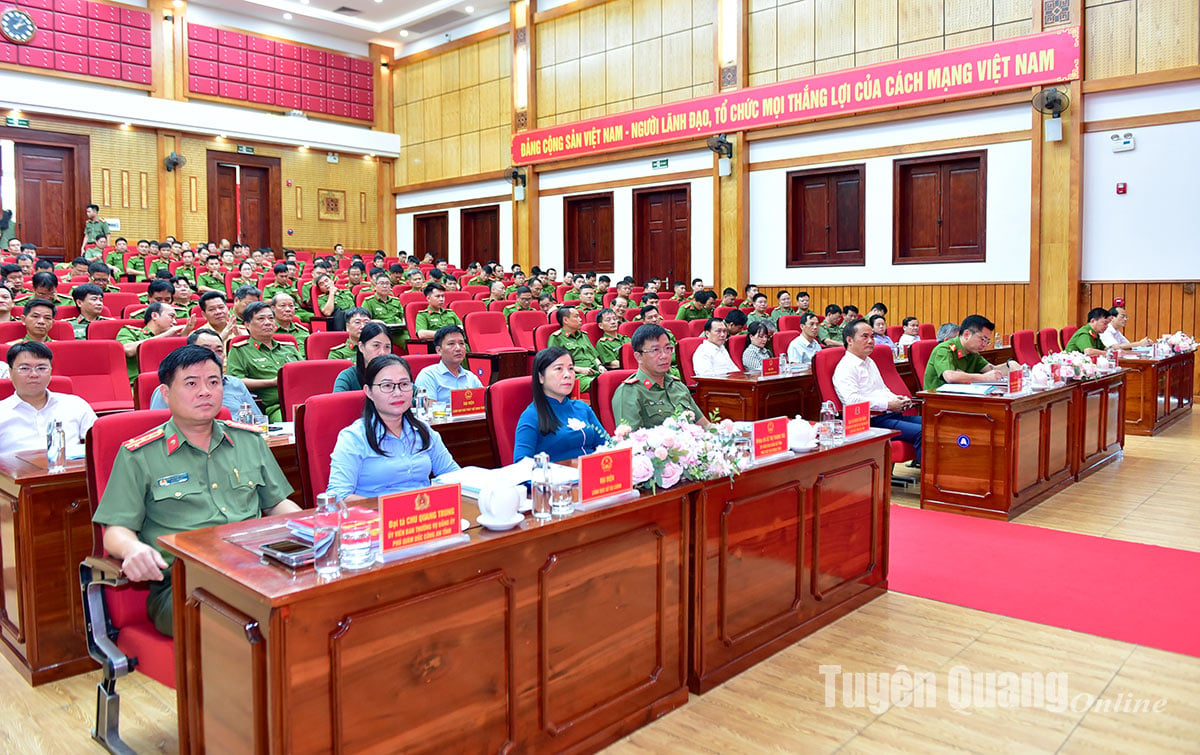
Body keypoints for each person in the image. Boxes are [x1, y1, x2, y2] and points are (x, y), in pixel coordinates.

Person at [92, 345, 299, 636]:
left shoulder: (249, 441)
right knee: (264, 619)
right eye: (192, 383)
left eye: (214, 382)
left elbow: (277, 505)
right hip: (186, 586)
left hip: (260, 569)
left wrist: (312, 528)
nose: (206, 391)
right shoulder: (139, 454)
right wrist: (133, 549)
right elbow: (115, 531)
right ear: (166, 394)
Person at [328, 354, 460, 500]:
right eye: (387, 386)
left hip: (424, 514)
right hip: (377, 518)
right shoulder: (353, 438)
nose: (398, 393)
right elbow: (338, 496)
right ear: (368, 391)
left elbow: (453, 475)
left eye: (404, 384)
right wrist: (390, 509)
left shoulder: (423, 431)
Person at [833, 319, 921, 464]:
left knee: (931, 424)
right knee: (921, 432)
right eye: (865, 336)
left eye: (872, 337)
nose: (871, 341)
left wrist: (896, 399)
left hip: (889, 415)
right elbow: (852, 401)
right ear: (849, 340)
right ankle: (929, 483)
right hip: (870, 421)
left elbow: (881, 389)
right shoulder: (845, 368)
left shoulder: (869, 361)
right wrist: (888, 404)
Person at [512, 347, 609, 462]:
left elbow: (607, 445)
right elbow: (521, 464)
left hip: (593, 474)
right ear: (541, 377)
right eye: (559, 369)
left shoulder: (582, 407)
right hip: (559, 477)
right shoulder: (531, 416)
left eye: (571, 368)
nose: (567, 375)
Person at [0, 342, 97, 453]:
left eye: (41, 368)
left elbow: (98, 444)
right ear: (10, 373)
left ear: (51, 372)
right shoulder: (2, 412)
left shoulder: (75, 405)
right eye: (24, 368)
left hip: (73, 469)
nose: (34, 374)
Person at [612, 324, 708, 430]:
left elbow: (705, 425)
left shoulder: (678, 386)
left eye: (667, 348)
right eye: (655, 350)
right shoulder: (629, 392)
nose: (664, 356)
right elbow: (630, 441)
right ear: (639, 357)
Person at [149, 329, 258, 414]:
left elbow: (257, 421)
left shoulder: (236, 384)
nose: (213, 355)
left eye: (219, 351)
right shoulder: (170, 389)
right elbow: (160, 428)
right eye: (205, 350)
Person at [224, 302, 303, 421]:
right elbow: (236, 382)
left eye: (271, 318)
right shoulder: (240, 350)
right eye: (261, 319)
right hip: (278, 407)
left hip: (305, 399)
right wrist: (272, 382)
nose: (268, 322)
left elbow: (305, 371)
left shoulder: (289, 347)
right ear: (247, 325)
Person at [923, 314, 1014, 392]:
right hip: (938, 401)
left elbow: (991, 370)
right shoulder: (944, 349)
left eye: (987, 341)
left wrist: (1010, 365)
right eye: (982, 339)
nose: (984, 344)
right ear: (967, 334)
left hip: (961, 398)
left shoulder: (972, 352)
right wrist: (984, 378)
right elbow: (950, 376)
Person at [115, 302, 188, 381]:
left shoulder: (173, 337)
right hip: (137, 386)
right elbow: (128, 350)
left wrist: (182, 339)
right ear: (155, 316)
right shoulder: (130, 331)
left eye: (176, 319)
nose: (175, 322)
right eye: (171, 316)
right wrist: (165, 335)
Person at [412, 325, 482, 402]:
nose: (458, 348)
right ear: (439, 350)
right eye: (451, 344)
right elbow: (429, 410)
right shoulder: (429, 375)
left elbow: (482, 405)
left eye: (461, 343)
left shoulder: (471, 377)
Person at [547, 306, 605, 392]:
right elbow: (554, 364)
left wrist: (600, 366)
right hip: (576, 375)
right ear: (566, 320)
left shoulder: (583, 335)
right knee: (601, 385)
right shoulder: (556, 338)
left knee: (613, 381)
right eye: (576, 316)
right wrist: (579, 369)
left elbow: (593, 355)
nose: (580, 319)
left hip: (595, 372)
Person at [333, 321, 395, 392]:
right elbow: (338, 401)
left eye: (387, 347)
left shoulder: (399, 374)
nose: (382, 352)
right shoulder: (347, 377)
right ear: (361, 347)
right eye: (376, 345)